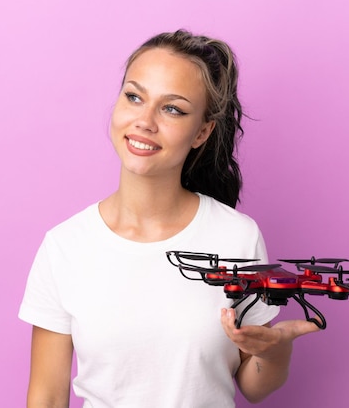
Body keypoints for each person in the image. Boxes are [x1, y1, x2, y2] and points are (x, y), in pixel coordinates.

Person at [19, 29, 320, 408]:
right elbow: (46, 396)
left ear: (203, 132)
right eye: (133, 97)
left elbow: (255, 385)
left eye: (172, 108)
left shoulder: (236, 237)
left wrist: (276, 352)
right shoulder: (65, 246)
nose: (144, 121)